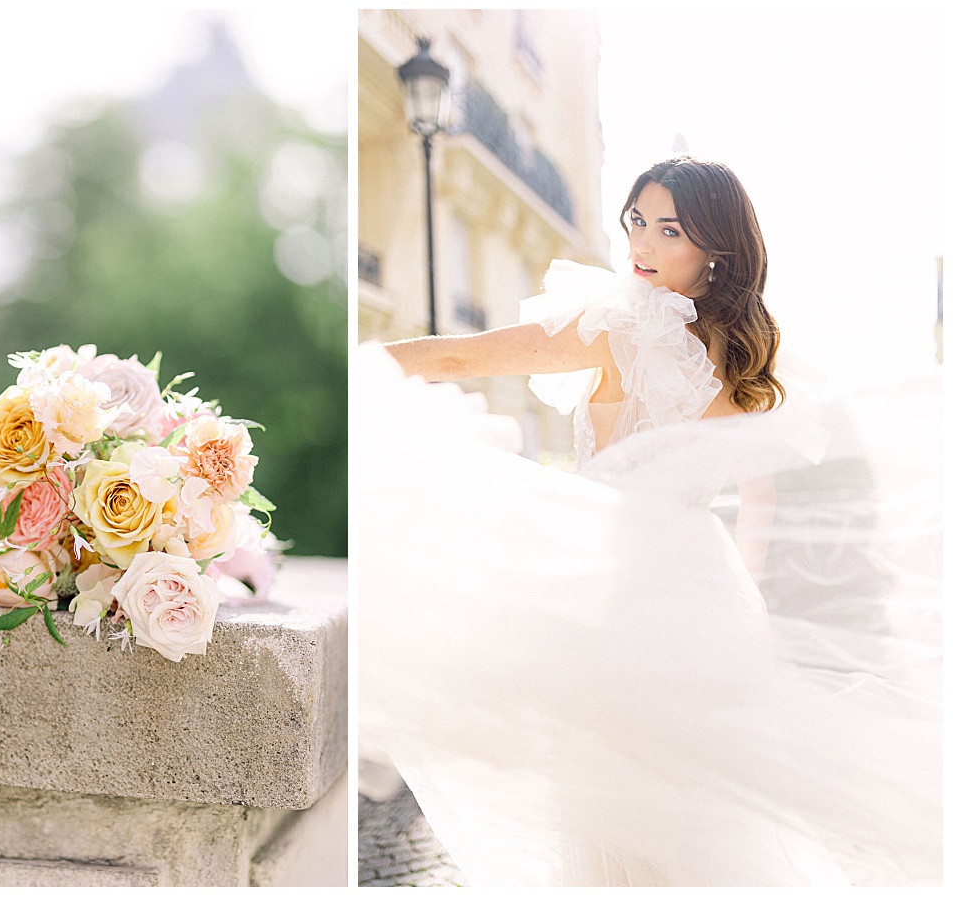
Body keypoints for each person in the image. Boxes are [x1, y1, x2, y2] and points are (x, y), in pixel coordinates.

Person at [357, 156, 941, 886]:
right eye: (638, 221)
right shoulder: (747, 358)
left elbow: (456, 355)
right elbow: (760, 499)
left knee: (605, 797)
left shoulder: (615, 326)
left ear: (713, 248)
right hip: (703, 588)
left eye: (670, 230)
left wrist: (359, 368)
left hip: (612, 584)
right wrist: (743, 605)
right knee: (692, 809)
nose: (642, 245)